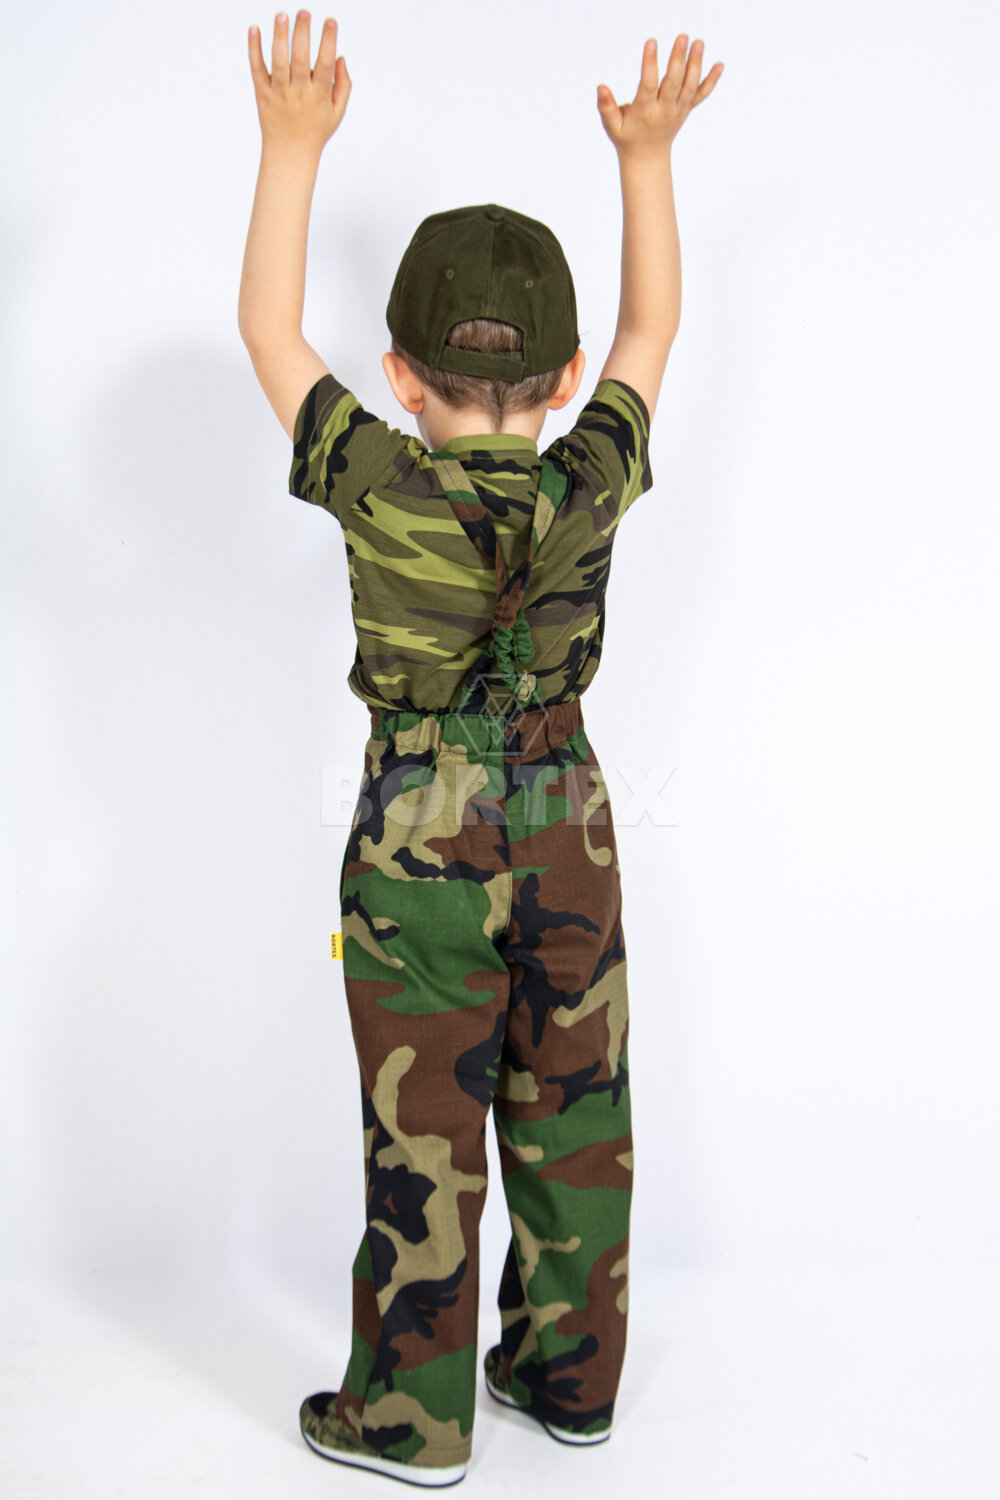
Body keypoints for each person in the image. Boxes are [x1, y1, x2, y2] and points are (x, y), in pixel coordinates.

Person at [239, 11, 723, 1488]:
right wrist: (647, 162)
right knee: (577, 1105)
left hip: (416, 836)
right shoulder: (593, 475)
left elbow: (269, 333)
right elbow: (653, 334)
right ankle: (570, 1382)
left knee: (425, 1128)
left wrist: (290, 146)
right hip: (571, 818)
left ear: (401, 374)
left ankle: (411, 1419)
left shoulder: (376, 478)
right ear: (565, 379)